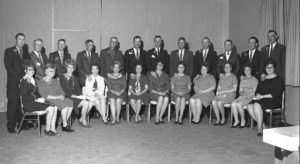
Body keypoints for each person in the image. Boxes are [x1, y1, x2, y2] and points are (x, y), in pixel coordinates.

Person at [20, 63, 59, 136]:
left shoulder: (33, 79)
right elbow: (24, 95)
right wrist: (36, 99)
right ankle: (47, 130)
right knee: (51, 108)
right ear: (25, 71)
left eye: (33, 70)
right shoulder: (23, 81)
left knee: (55, 106)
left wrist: (41, 98)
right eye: (29, 70)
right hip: (28, 104)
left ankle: (53, 129)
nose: (32, 71)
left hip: (35, 102)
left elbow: (36, 92)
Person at [247, 60, 284, 137]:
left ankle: (259, 129)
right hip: (262, 99)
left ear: (274, 68)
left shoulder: (279, 80)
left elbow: (276, 94)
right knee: (249, 106)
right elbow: (257, 90)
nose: (269, 69)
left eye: (271, 67)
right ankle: (264, 126)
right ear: (265, 68)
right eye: (267, 67)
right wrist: (258, 94)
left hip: (274, 100)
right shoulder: (263, 78)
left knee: (256, 105)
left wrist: (262, 96)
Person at [4, 33, 31, 133]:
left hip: (23, 82)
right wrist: (20, 78)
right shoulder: (9, 51)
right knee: (13, 105)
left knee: (21, 104)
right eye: (20, 39)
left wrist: (27, 77)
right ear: (15, 40)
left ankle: (21, 124)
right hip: (13, 84)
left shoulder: (25, 52)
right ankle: (10, 126)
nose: (22, 41)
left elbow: (29, 66)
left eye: (23, 39)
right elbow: (9, 68)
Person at [38, 64, 74, 132]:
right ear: (46, 72)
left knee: (70, 102)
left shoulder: (56, 81)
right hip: (49, 99)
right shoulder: (41, 82)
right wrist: (58, 97)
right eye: (50, 71)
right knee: (64, 105)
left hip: (58, 98)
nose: (53, 73)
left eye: (54, 71)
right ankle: (65, 125)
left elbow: (62, 91)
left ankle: (64, 122)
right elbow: (44, 95)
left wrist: (63, 96)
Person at [60, 60, 94, 127]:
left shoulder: (75, 78)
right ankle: (83, 121)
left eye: (72, 67)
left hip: (76, 96)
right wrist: (72, 95)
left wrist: (81, 95)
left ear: (74, 68)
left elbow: (78, 90)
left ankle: (81, 119)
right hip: (68, 97)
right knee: (86, 103)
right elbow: (63, 90)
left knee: (90, 104)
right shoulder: (63, 77)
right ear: (66, 68)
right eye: (69, 67)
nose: (70, 69)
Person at [231, 64, 258, 128]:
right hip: (243, 97)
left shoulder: (254, 80)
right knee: (233, 103)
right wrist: (241, 92)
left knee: (239, 104)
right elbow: (240, 91)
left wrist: (247, 96)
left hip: (251, 97)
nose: (246, 71)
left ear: (251, 70)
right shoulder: (243, 79)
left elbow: (254, 91)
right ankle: (237, 120)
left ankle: (243, 120)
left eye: (248, 70)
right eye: (245, 70)